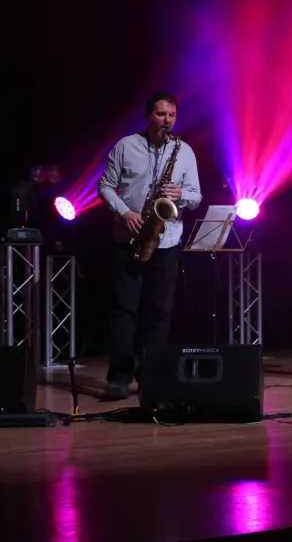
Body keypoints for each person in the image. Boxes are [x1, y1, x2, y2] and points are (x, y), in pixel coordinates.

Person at [97, 91, 202, 401]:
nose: (166, 120)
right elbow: (104, 185)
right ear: (149, 117)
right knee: (123, 311)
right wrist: (124, 212)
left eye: (171, 115)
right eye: (160, 114)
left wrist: (181, 194)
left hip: (165, 241)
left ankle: (151, 376)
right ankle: (119, 377)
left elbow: (196, 197)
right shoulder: (126, 146)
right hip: (128, 237)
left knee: (159, 313)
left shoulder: (184, 151)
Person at [11, 163, 68, 251]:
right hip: (29, 228)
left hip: (52, 232)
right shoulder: (25, 189)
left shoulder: (58, 192)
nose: (46, 175)